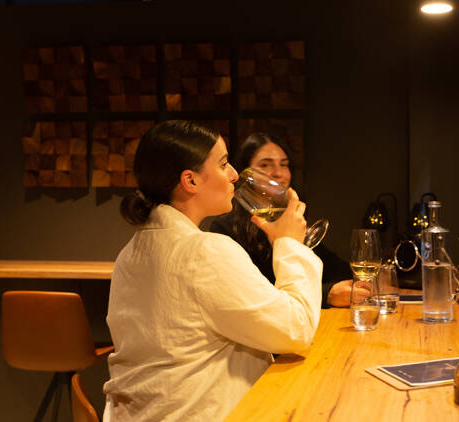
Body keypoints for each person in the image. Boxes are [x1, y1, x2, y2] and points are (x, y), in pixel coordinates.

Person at [103, 121, 322, 422]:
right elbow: (296, 329)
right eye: (223, 164)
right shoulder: (204, 252)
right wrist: (288, 242)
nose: (234, 173)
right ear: (190, 180)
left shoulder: (129, 254)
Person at [210, 132, 355, 308]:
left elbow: (338, 271)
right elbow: (253, 296)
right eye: (265, 164)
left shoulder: (290, 219)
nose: (278, 173)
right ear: (244, 175)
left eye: (284, 165)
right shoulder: (224, 228)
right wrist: (326, 294)